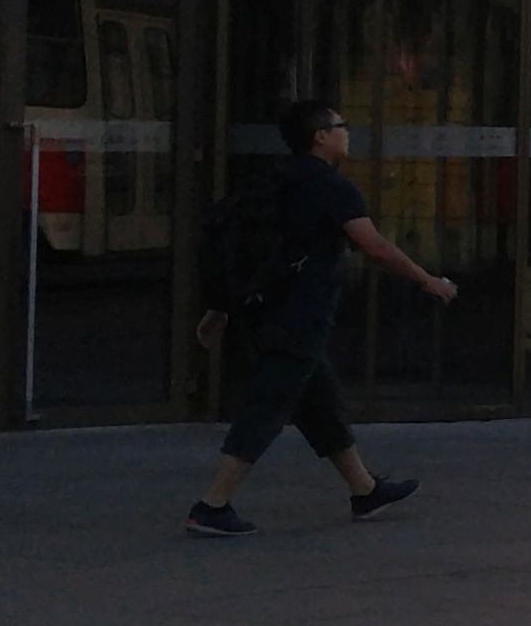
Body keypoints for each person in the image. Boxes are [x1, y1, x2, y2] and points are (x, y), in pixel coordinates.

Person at [189, 98, 453, 536]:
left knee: (320, 404)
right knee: (266, 408)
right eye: (341, 126)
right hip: (301, 316)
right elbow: (375, 247)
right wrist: (427, 280)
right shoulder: (335, 189)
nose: (347, 132)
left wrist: (221, 308)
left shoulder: (273, 179)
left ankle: (364, 490)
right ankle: (212, 505)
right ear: (321, 137)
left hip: (267, 313)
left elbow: (256, 252)